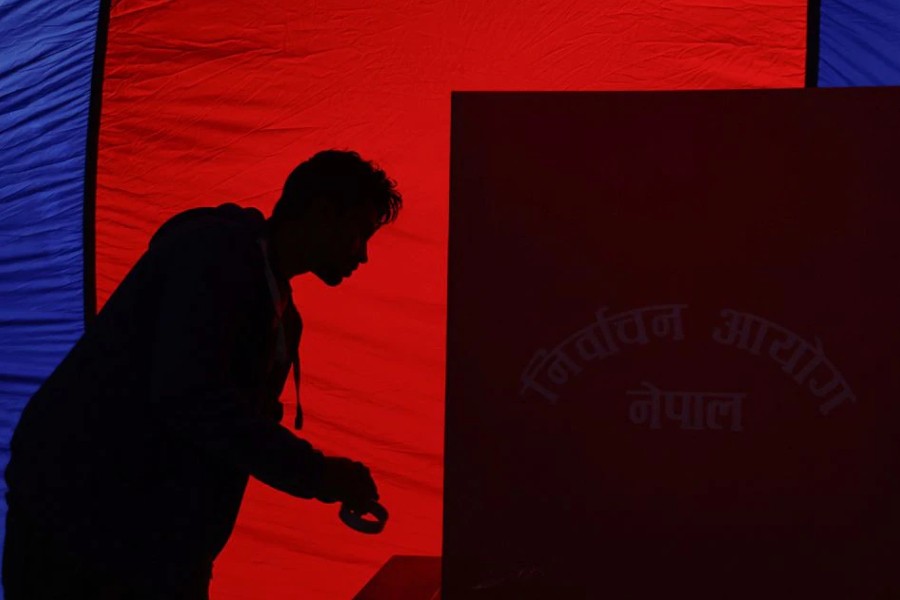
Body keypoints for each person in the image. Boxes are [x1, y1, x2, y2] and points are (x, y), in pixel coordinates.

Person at [3, 149, 402, 599]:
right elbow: (191, 397)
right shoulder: (214, 256)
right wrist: (315, 473)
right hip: (82, 521)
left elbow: (226, 431)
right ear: (323, 213)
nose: (363, 255)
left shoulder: (281, 316)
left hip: (154, 543)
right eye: (358, 234)